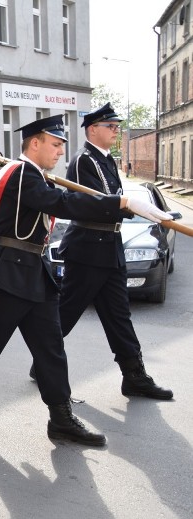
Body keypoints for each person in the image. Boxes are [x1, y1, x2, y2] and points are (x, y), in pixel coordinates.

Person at [0, 115, 172, 447]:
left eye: (62, 145)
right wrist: (119, 203)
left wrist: (125, 206)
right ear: (35, 143)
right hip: (7, 271)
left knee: (50, 347)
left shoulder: (32, 175)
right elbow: (63, 203)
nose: (61, 151)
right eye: (56, 144)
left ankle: (60, 418)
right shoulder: (22, 175)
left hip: (33, 269)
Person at [55, 103, 173, 400]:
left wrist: (131, 207)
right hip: (87, 251)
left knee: (119, 316)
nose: (116, 131)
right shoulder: (83, 161)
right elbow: (91, 204)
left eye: (117, 126)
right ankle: (44, 362)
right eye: (111, 126)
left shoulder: (106, 160)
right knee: (66, 313)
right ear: (92, 129)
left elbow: (113, 203)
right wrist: (125, 205)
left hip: (110, 249)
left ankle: (134, 376)